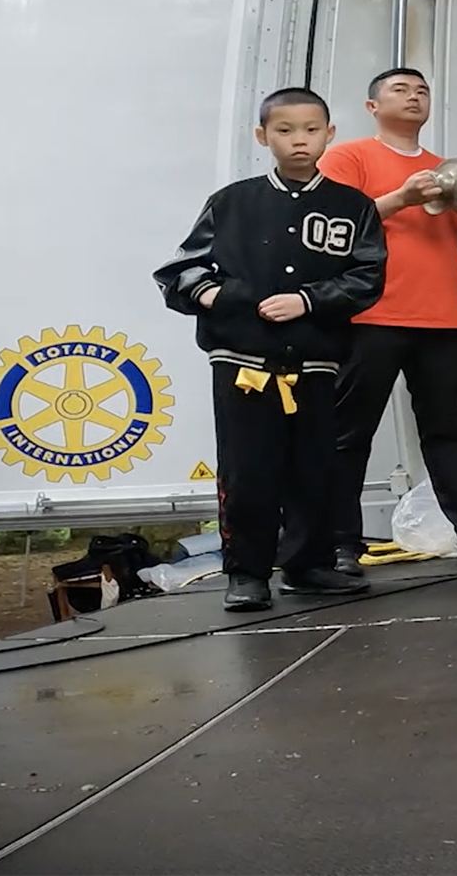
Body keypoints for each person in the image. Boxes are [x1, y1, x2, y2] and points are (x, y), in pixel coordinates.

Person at [154, 88, 384, 611]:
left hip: (316, 363)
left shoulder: (354, 207)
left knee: (314, 468)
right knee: (248, 469)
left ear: (329, 134)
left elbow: (368, 277)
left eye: (310, 129)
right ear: (263, 137)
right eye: (284, 130)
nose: (298, 140)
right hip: (243, 365)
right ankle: (247, 573)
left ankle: (308, 566)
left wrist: (308, 300)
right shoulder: (232, 202)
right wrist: (213, 293)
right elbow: (180, 270)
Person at [320, 68, 457, 563]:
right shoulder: (350, 157)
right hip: (371, 315)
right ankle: (340, 543)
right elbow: (335, 227)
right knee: (349, 433)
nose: (415, 97)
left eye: (422, 91)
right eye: (401, 90)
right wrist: (403, 198)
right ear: (373, 106)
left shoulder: (446, 168)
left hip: (443, 320)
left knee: (446, 431)